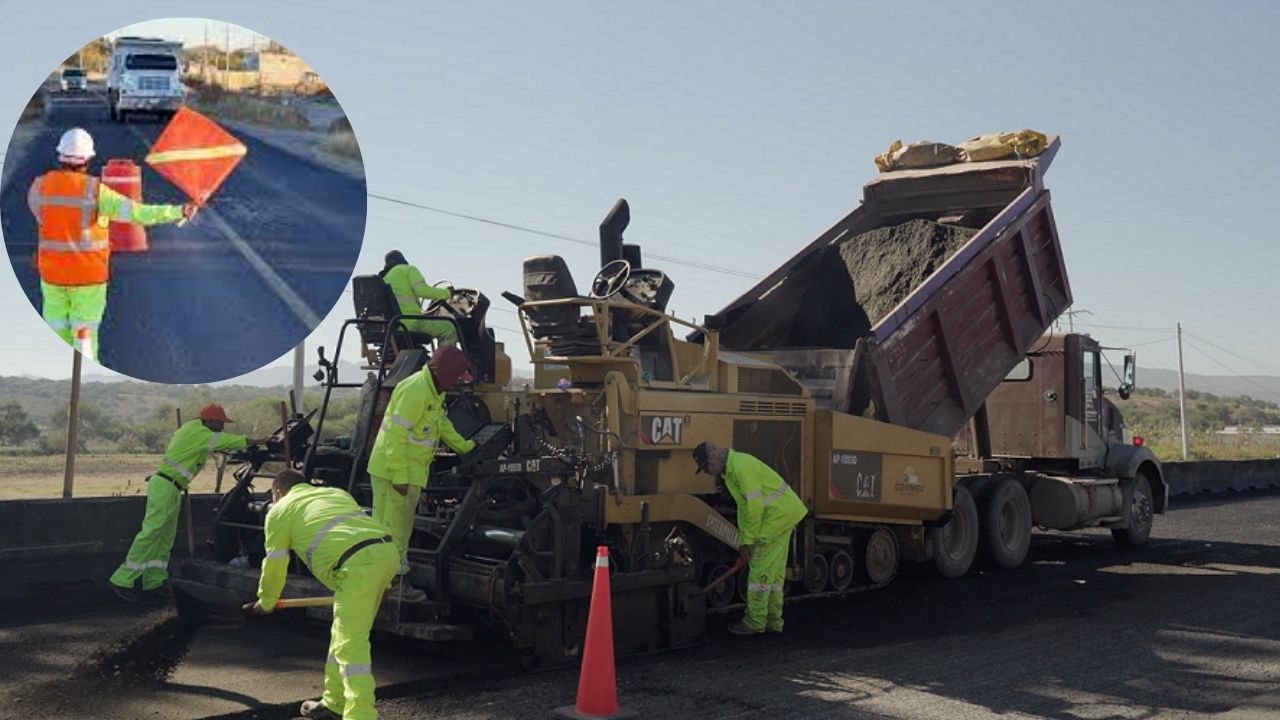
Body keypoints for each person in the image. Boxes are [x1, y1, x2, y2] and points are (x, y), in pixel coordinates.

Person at [27, 127, 196, 361]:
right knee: (84, 338)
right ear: (88, 158)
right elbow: (138, 213)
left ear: (60, 156)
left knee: (56, 331)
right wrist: (178, 211)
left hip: (52, 275)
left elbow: (43, 218)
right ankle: (80, 385)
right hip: (88, 278)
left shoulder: (38, 187)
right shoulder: (96, 192)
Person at [250, 469, 399, 720]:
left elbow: (275, 562)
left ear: (278, 491)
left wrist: (266, 602)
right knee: (341, 634)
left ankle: (361, 715)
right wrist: (383, 584)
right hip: (385, 553)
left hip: (354, 566)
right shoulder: (335, 493)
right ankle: (335, 702)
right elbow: (355, 531)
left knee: (351, 644)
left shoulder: (280, 509)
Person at [109, 403, 264, 601]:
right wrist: (256, 440)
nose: (222, 427)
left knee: (164, 537)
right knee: (152, 532)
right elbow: (225, 440)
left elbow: (219, 444)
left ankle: (154, 580)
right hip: (166, 486)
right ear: (209, 420)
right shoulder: (198, 432)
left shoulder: (196, 432)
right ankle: (121, 579)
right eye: (220, 422)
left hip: (171, 487)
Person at [366, 347, 476, 586]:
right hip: (394, 471)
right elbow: (395, 435)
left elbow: (440, 423)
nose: (458, 382)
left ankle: (390, 576)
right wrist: (400, 476)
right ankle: (389, 584)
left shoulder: (434, 390)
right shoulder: (415, 390)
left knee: (399, 526)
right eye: (457, 377)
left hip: (407, 471)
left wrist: (466, 447)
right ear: (446, 374)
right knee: (392, 528)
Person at [693, 441, 807, 635]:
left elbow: (754, 507)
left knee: (759, 570)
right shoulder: (730, 471)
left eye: (706, 466)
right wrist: (744, 541)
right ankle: (773, 621)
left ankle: (754, 622)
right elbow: (744, 511)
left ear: (713, 454)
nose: (707, 472)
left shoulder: (740, 467)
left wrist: (749, 542)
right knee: (774, 572)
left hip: (777, 516)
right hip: (785, 513)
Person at [379, 250, 458, 347]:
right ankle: (445, 361)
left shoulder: (384, 278)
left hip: (394, 326)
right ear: (403, 260)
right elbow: (422, 291)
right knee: (449, 328)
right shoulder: (407, 269)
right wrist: (447, 293)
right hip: (411, 322)